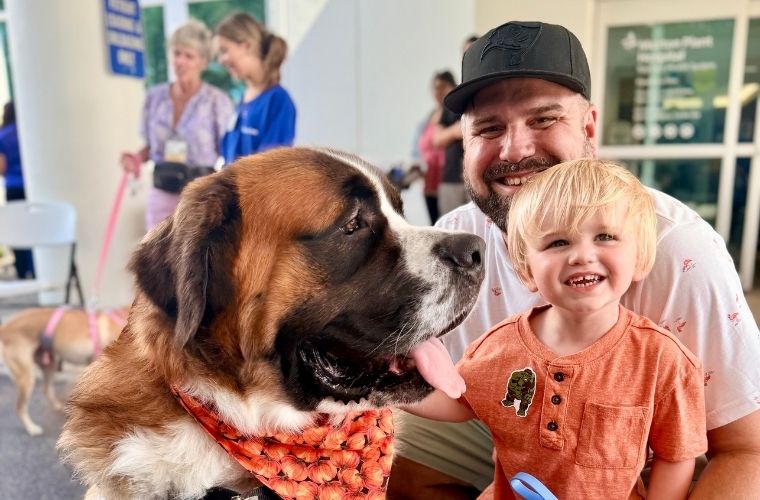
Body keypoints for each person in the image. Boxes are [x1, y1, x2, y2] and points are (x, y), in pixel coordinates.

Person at [389, 21, 760, 499]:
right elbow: (445, 390)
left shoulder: (676, 248)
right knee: (387, 450)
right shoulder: (454, 243)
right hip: (506, 422)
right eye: (489, 127)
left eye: (543, 119)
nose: (516, 149)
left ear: (588, 128)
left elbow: (748, 448)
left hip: (641, 457)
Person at [404, 159, 707, 499]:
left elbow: (676, 456)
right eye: (557, 243)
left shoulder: (663, 361)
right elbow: (457, 402)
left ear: (640, 257)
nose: (581, 255)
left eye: (605, 236)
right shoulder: (500, 346)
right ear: (527, 269)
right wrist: (385, 385)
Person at [121, 19, 234, 231]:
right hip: (162, 191)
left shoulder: (216, 101)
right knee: (156, 259)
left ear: (203, 62)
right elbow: (152, 148)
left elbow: (227, 152)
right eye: (176, 53)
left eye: (188, 56)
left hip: (200, 195)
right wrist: (136, 159)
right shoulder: (154, 97)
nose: (180, 61)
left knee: (193, 260)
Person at [214, 12, 296, 164]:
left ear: (246, 46)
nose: (221, 60)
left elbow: (270, 167)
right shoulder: (242, 101)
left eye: (224, 51)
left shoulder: (278, 101)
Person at [434, 37, 478, 216]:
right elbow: (437, 139)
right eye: (467, 53)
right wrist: (456, 131)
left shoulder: (494, 94)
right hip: (452, 179)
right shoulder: (454, 97)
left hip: (480, 179)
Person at [0, 101, 34, 279]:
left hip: (14, 188)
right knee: (36, 229)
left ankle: (22, 270)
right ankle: (36, 269)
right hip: (35, 190)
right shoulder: (29, 131)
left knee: (19, 230)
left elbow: (2, 167)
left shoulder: (2, 135)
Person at [418, 70, 456, 224]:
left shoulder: (454, 113)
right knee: (435, 226)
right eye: (435, 87)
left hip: (447, 179)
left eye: (442, 87)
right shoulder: (431, 115)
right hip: (429, 181)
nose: (438, 92)